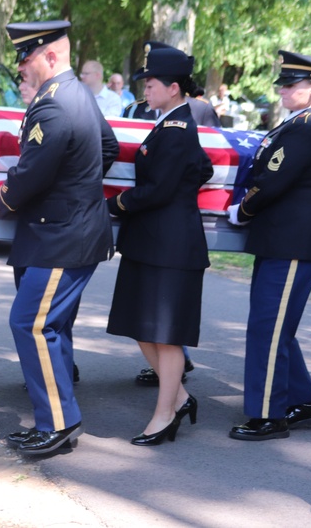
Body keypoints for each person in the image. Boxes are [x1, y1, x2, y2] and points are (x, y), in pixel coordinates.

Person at [0, 20, 118, 455]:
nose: (21, 67)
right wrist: (79, 184)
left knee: (32, 324)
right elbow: (107, 147)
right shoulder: (77, 94)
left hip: (60, 237)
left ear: (51, 57)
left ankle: (57, 424)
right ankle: (57, 418)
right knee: (50, 326)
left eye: (27, 58)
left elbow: (31, 174)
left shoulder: (55, 104)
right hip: (64, 231)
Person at [226, 51, 311, 441]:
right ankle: (304, 402)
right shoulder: (304, 121)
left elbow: (273, 178)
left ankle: (268, 415)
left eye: (290, 84)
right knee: (277, 327)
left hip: (295, 241)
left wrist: (243, 209)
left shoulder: (310, 125)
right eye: (282, 82)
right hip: (287, 238)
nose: (281, 90)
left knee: (267, 329)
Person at [105, 46, 212, 446]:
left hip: (170, 246)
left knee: (165, 335)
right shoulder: (171, 126)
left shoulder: (177, 130)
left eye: (150, 84)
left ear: (172, 87)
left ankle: (164, 415)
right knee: (141, 328)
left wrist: (112, 204)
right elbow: (203, 168)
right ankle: (180, 399)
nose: (145, 90)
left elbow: (157, 190)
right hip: (153, 243)